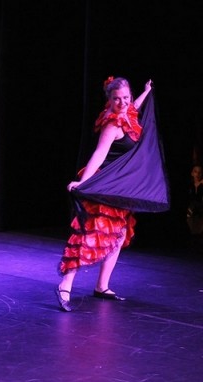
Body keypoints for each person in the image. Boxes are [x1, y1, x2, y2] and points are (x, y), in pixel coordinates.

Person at [55, 77, 153, 312]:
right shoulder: (112, 125)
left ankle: (102, 286)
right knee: (91, 233)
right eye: (117, 99)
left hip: (118, 187)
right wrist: (83, 182)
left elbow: (134, 107)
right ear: (108, 100)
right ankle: (64, 285)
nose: (123, 103)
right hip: (102, 185)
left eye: (126, 98)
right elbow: (99, 154)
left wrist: (145, 92)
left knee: (118, 236)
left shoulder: (128, 112)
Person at [187, 165, 203, 237]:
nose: (197, 174)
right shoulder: (189, 186)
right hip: (191, 211)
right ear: (192, 173)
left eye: (199, 172)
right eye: (195, 172)